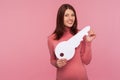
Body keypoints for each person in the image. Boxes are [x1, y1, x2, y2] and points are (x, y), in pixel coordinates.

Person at [47, 4, 96, 80]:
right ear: (60, 17)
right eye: (66, 15)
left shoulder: (80, 34)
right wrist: (57, 63)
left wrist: (88, 43)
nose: (70, 18)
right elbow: (52, 59)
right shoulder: (51, 39)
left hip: (81, 77)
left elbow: (86, 61)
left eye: (72, 15)